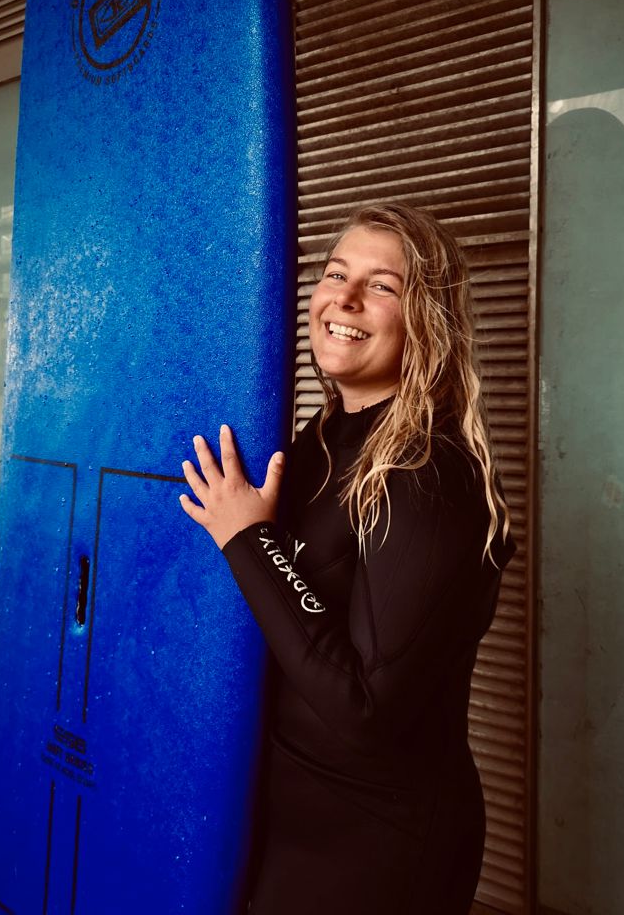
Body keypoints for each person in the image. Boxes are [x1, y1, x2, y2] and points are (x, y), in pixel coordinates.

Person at [179, 202, 515, 914]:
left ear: (428, 319)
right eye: (336, 274)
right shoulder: (322, 437)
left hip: (376, 844)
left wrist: (249, 541)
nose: (346, 298)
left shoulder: (428, 472)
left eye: (383, 285)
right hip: (282, 816)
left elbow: (367, 708)